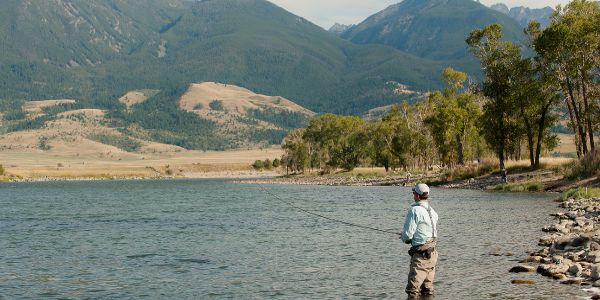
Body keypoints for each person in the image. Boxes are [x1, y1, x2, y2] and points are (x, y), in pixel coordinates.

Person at [400, 183, 439, 298]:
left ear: (417, 196)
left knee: (412, 292)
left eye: (413, 193)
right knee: (427, 291)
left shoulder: (415, 211)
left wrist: (404, 238)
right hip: (432, 256)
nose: (413, 195)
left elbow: (407, 236)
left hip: (421, 257)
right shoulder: (433, 212)